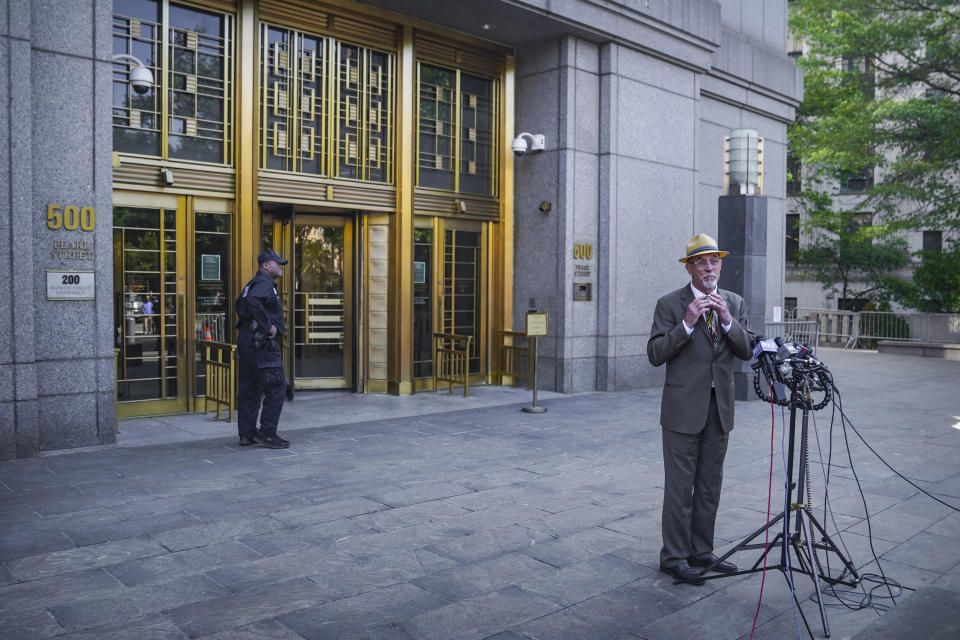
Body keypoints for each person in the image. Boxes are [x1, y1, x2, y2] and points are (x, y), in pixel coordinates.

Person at [646, 233, 753, 585]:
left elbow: (746, 349)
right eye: (702, 262)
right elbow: (656, 354)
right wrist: (687, 323)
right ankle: (674, 557)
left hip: (719, 408)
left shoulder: (734, 302)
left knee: (710, 484)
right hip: (681, 410)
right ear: (690, 268)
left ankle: (701, 551)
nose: (710, 267)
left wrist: (726, 320)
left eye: (715, 261)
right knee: (680, 487)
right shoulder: (670, 304)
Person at [235, 248, 290, 449]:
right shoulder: (264, 283)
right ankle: (267, 434)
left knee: (250, 387)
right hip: (260, 342)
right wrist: (268, 326)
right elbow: (252, 302)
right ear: (266, 265)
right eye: (277, 263)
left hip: (249, 339)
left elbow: (240, 305)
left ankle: (247, 435)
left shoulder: (253, 283)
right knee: (276, 386)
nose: (281, 266)